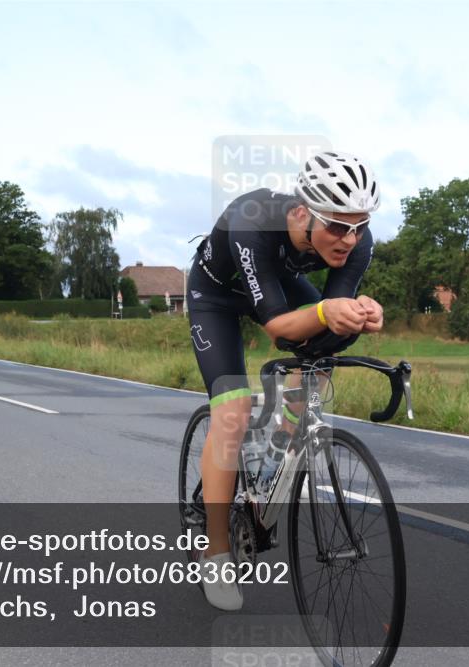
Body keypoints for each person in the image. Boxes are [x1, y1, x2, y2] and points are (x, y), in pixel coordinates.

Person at [186, 150, 384, 610]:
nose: (349, 239)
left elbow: (331, 318)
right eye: (336, 226)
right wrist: (323, 312)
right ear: (301, 213)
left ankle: (273, 453)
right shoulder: (254, 221)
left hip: (278, 285)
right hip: (217, 297)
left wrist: (361, 314)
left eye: (358, 226)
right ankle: (215, 553)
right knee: (232, 414)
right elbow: (276, 326)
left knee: (321, 355)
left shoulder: (358, 240)